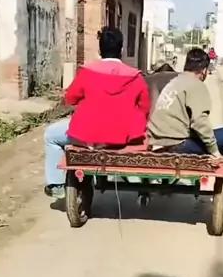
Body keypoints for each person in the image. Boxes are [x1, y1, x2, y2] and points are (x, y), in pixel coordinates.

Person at [44, 27, 151, 198]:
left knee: (51, 135)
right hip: (123, 138)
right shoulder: (136, 77)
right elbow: (145, 108)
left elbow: (71, 99)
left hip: (87, 137)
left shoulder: (87, 72)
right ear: (122, 49)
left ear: (100, 50)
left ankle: (56, 185)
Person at [147, 47, 223, 156]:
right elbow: (200, 122)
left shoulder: (175, 80)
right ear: (204, 71)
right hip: (178, 145)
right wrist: (214, 151)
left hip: (156, 139)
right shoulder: (196, 84)